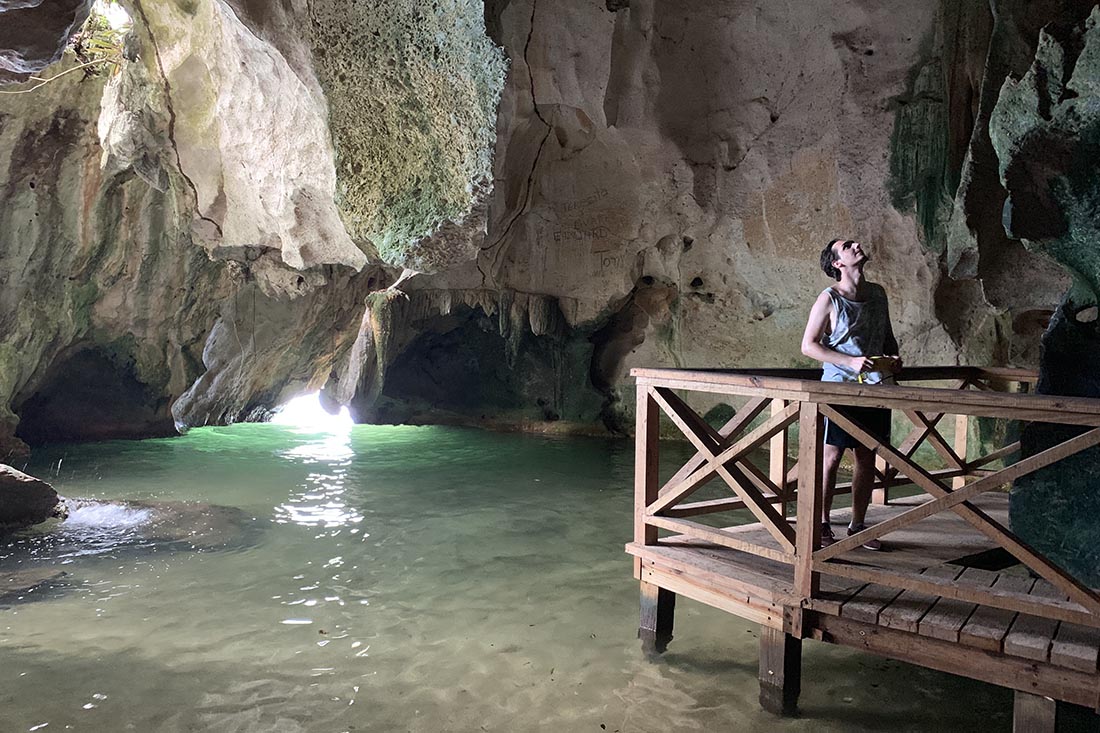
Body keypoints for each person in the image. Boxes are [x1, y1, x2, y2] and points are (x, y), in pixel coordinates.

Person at [800, 238, 901, 550]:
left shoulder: (878, 294)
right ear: (837, 263)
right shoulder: (830, 298)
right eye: (847, 246)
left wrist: (894, 358)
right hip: (840, 387)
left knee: (867, 455)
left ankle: (858, 525)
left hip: (876, 386)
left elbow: (887, 336)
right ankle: (822, 524)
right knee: (831, 457)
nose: (856, 244)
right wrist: (850, 361)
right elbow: (808, 345)